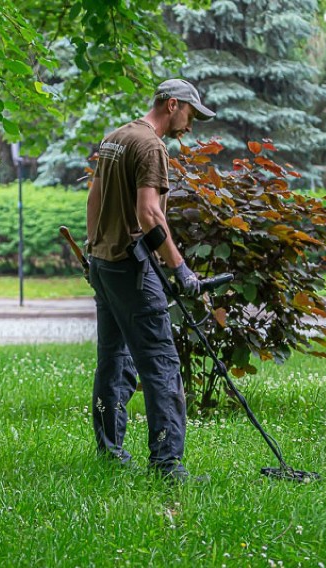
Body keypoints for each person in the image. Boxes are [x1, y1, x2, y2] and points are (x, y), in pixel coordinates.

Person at [85, 79, 215, 482]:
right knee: (160, 363)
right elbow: (149, 214)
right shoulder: (151, 146)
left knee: (113, 360)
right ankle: (167, 463)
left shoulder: (115, 138)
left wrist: (93, 248)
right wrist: (180, 268)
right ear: (171, 105)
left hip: (104, 265)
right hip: (132, 269)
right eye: (190, 115)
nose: (190, 126)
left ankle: (110, 450)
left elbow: (94, 196)